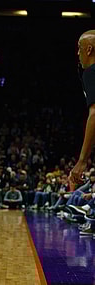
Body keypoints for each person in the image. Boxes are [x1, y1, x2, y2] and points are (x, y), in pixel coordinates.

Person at [70, 30, 95, 192]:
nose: (78, 53)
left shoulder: (92, 72)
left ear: (89, 49)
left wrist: (82, 160)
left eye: (80, 48)